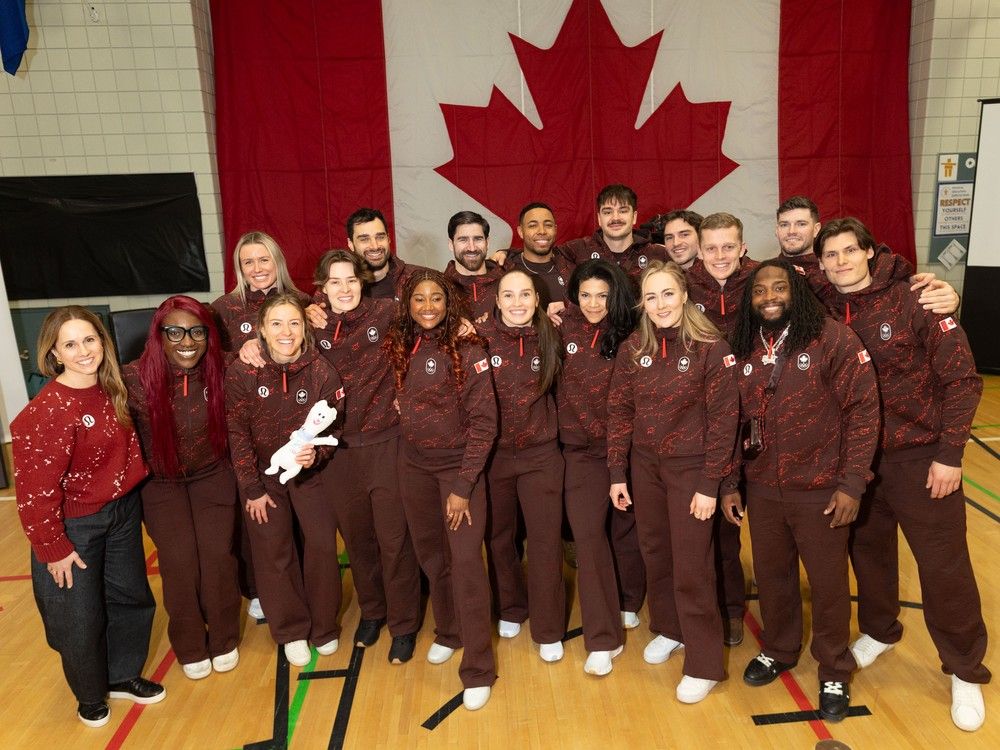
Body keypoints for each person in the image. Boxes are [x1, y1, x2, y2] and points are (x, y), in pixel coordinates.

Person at [816, 218, 989, 732]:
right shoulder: (819, 306)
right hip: (856, 461)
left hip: (920, 457)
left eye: (851, 250)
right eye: (832, 254)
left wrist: (951, 454)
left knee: (943, 567)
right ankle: (879, 630)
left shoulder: (917, 298)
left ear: (870, 252)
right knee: (868, 555)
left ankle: (964, 668)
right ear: (821, 263)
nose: (842, 261)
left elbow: (962, 380)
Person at [721, 259, 880, 722]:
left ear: (797, 292)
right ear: (750, 301)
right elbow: (730, 419)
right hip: (763, 488)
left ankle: (834, 666)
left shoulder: (832, 338)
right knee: (772, 577)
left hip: (822, 488)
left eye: (779, 287)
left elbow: (864, 412)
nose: (769, 296)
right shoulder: (743, 345)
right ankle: (780, 648)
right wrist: (731, 482)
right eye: (759, 291)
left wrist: (852, 484)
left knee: (829, 584)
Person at [12, 306, 164, 728]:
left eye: (90, 340)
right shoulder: (49, 410)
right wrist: (53, 547)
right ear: (55, 353)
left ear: (103, 342)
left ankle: (122, 675)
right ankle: (89, 694)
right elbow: (33, 492)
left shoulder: (111, 387)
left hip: (120, 512)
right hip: (74, 524)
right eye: (71, 344)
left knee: (130, 596)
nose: (84, 351)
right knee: (78, 615)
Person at [607, 261, 738, 704]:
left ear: (684, 296)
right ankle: (670, 628)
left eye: (668, 294)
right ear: (642, 303)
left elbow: (724, 423)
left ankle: (704, 663)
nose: (660, 304)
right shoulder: (632, 349)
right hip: (646, 469)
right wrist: (616, 472)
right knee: (656, 553)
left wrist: (708, 484)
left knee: (692, 565)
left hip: (691, 471)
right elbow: (620, 412)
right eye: (651, 296)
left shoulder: (711, 349)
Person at [386, 270, 498, 711]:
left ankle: (478, 668)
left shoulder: (469, 348)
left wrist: (463, 486)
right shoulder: (397, 344)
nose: (428, 306)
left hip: (457, 472)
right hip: (413, 467)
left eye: (437, 298)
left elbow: (485, 422)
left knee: (466, 564)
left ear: (450, 304)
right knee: (432, 557)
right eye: (419, 299)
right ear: (407, 305)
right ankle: (448, 632)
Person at [311, 249, 422, 663]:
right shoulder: (311, 324)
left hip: (387, 443)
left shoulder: (387, 313)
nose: (344, 289)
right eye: (334, 282)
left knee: (395, 539)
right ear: (321, 287)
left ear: (364, 282)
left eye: (351, 280)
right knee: (358, 540)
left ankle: (405, 622)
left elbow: (435, 317)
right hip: (337, 451)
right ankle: (373, 612)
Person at [123, 296, 242, 681]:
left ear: (209, 336)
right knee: (179, 563)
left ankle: (224, 638)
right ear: (159, 335)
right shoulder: (132, 379)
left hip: (212, 476)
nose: (186, 341)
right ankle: (191, 645)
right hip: (161, 485)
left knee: (217, 558)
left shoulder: (225, 369)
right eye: (174, 332)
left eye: (196, 331)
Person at [225, 293, 345, 668]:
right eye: (276, 323)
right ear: (261, 329)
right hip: (264, 478)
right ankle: (292, 630)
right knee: (274, 552)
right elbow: (237, 434)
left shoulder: (323, 371)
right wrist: (252, 490)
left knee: (323, 547)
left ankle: (324, 626)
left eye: (294, 322)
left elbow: (334, 428)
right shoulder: (243, 372)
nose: (286, 332)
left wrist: (317, 455)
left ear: (304, 327)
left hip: (311, 477)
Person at [211, 230, 308, 620]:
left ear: (277, 262)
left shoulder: (304, 302)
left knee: (299, 520)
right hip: (251, 425)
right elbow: (208, 356)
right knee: (258, 519)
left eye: (263, 259)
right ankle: (257, 589)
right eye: (248, 262)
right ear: (239, 268)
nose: (257, 268)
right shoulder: (223, 308)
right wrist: (240, 352)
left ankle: (299, 584)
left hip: (297, 424)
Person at [557, 260, 645, 675]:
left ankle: (630, 599)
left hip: (630, 450)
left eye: (603, 296)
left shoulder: (635, 334)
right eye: (586, 294)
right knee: (589, 538)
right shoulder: (559, 328)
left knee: (626, 532)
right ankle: (602, 639)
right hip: (581, 453)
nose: (594, 304)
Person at [479, 269, 567, 661]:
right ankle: (511, 607)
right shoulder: (477, 339)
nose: (517, 303)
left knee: (545, 542)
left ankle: (548, 629)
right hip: (494, 457)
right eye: (509, 295)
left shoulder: (553, 336)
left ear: (537, 299)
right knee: (499, 538)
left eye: (525, 294)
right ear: (496, 301)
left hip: (540, 456)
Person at [683, 211, 755, 645]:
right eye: (711, 247)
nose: (720, 255)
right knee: (709, 526)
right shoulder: (684, 286)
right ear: (699, 249)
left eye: (729, 246)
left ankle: (733, 607)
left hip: (759, 421)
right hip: (702, 423)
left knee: (738, 524)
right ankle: (714, 607)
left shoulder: (765, 281)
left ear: (742, 247)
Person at [561, 184, 669, 282]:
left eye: (623, 211)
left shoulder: (658, 254)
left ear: (634, 217)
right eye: (608, 212)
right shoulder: (576, 250)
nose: (615, 218)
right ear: (599, 218)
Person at [500, 202, 575, 307]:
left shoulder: (571, 268)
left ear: (555, 229)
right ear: (521, 231)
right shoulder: (504, 270)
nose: (542, 231)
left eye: (548, 225)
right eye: (533, 226)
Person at [345, 207, 428, 299]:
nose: (375, 246)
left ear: (388, 239)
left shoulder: (421, 279)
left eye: (380, 237)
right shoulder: (340, 292)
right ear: (350, 244)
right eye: (364, 239)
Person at [443, 210, 506, 320]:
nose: (471, 248)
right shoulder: (440, 287)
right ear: (451, 244)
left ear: (487, 243)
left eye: (478, 239)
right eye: (463, 240)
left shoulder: (508, 279)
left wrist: (507, 252)